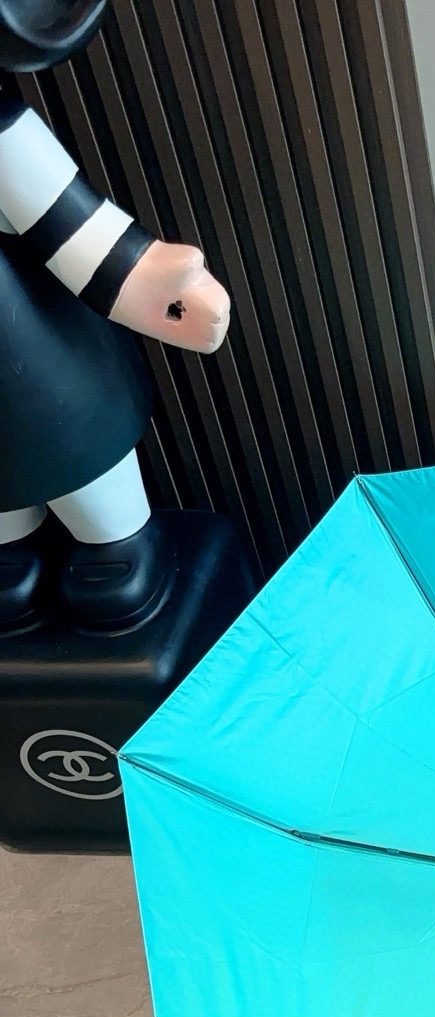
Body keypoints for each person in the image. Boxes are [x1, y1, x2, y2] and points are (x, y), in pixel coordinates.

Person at [0, 0, 229, 632]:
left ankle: (114, 536)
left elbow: (71, 225)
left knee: (72, 445)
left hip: (32, 349)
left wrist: (151, 282)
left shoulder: (4, 140)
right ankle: (11, 543)